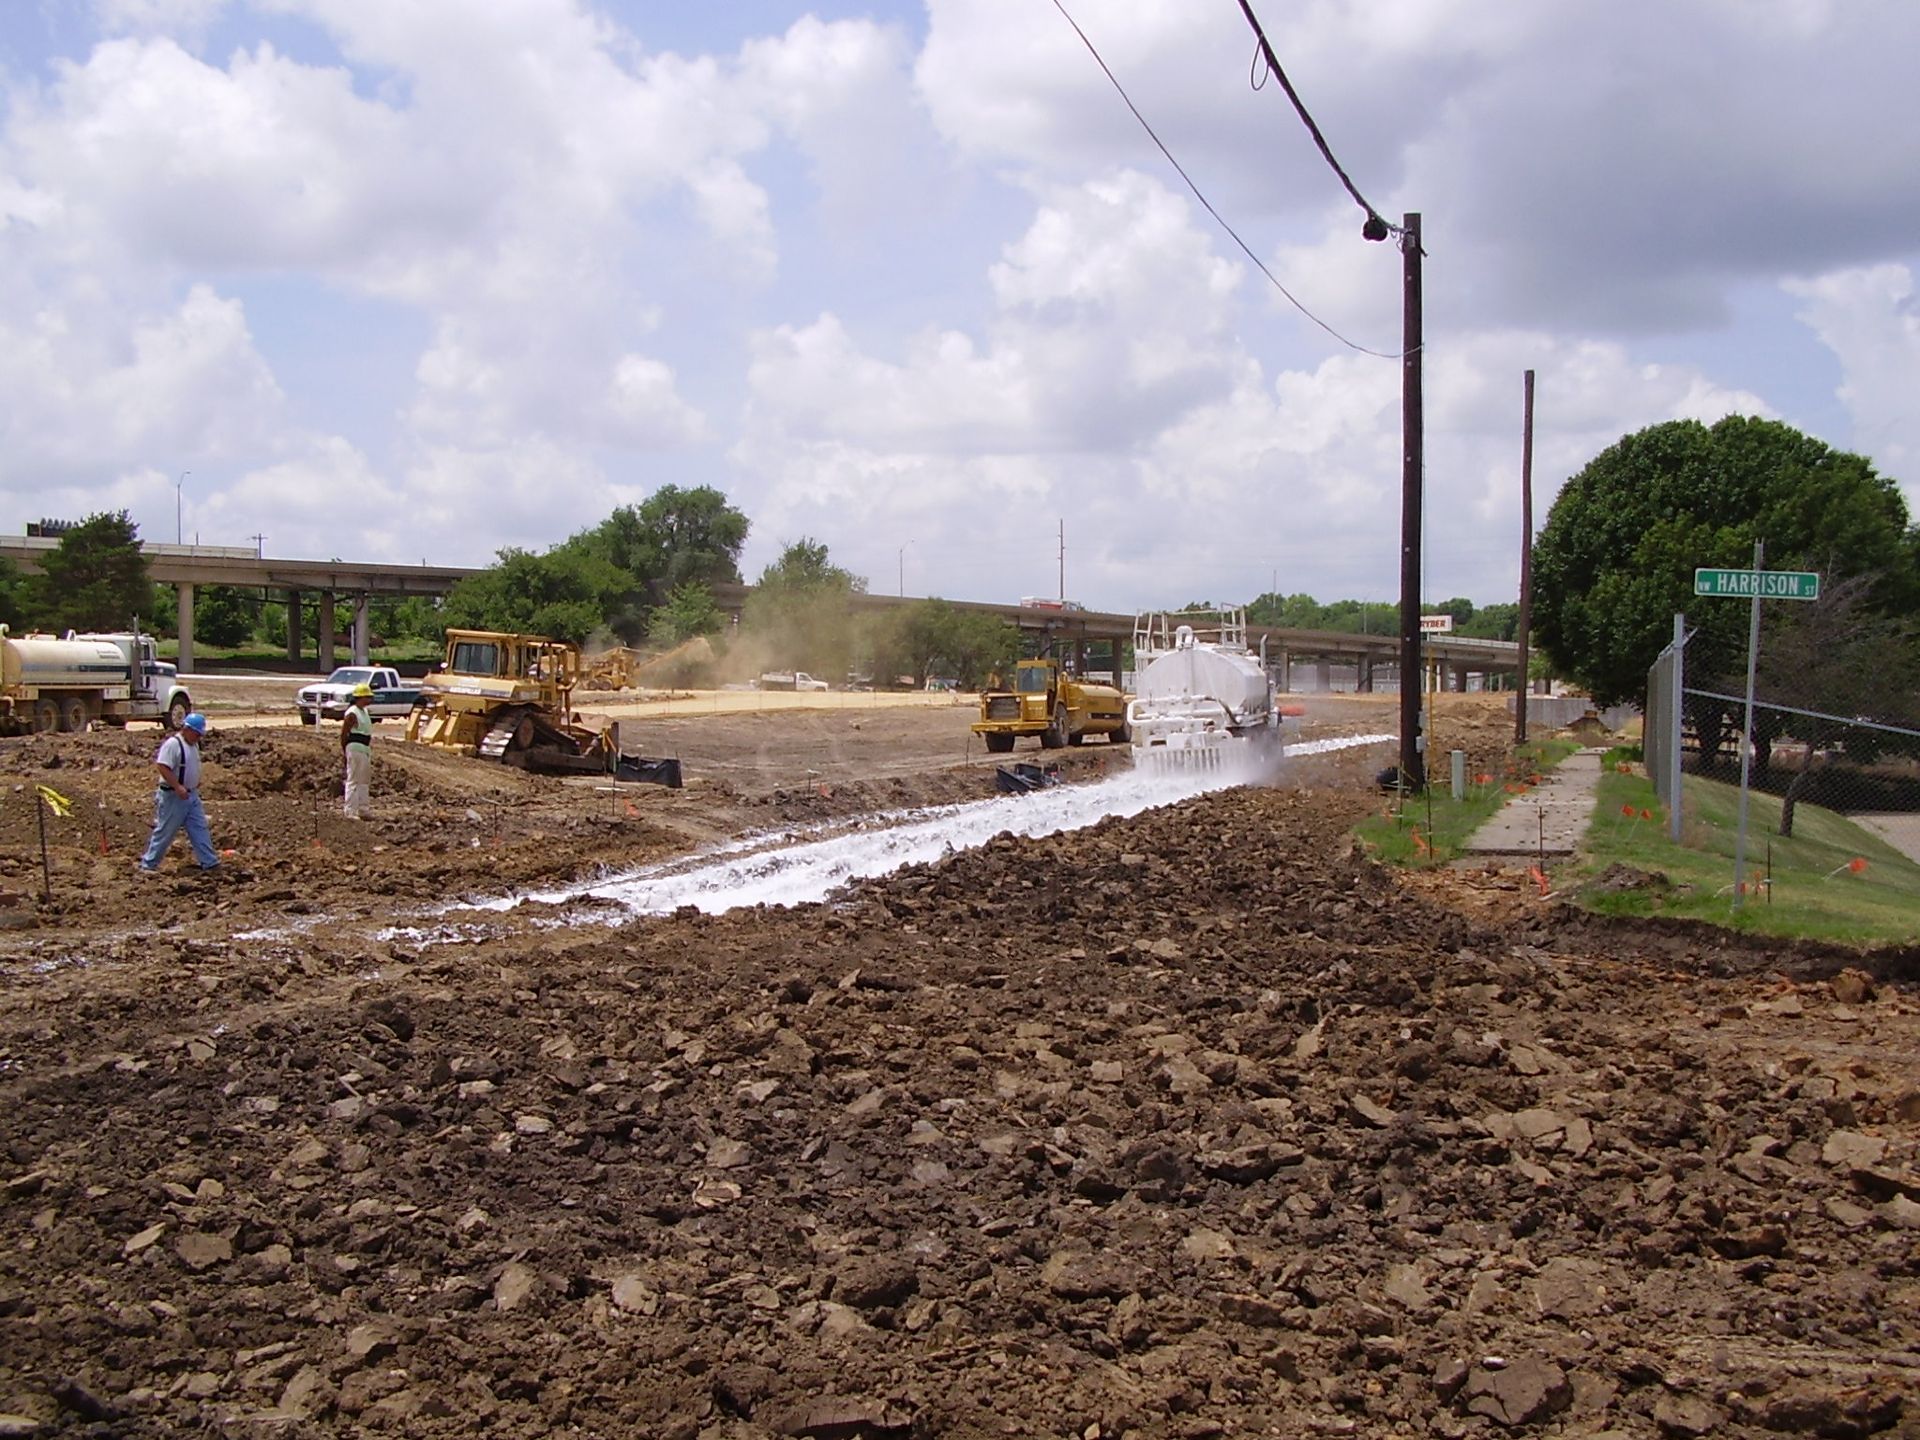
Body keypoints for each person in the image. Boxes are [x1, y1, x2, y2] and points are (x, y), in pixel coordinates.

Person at [138, 713, 220, 875]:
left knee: (199, 828)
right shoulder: (173, 745)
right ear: (187, 729)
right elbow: (162, 766)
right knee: (166, 831)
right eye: (196, 734)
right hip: (173, 797)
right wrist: (177, 786)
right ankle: (148, 865)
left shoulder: (193, 744)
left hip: (191, 796)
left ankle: (210, 863)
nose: (198, 737)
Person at [341, 682, 374, 819]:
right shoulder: (352, 713)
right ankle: (350, 810)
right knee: (353, 779)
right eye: (367, 697)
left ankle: (363, 809)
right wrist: (344, 750)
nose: (370, 700)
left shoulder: (364, 712)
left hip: (364, 748)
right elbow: (344, 732)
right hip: (354, 747)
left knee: (363, 780)